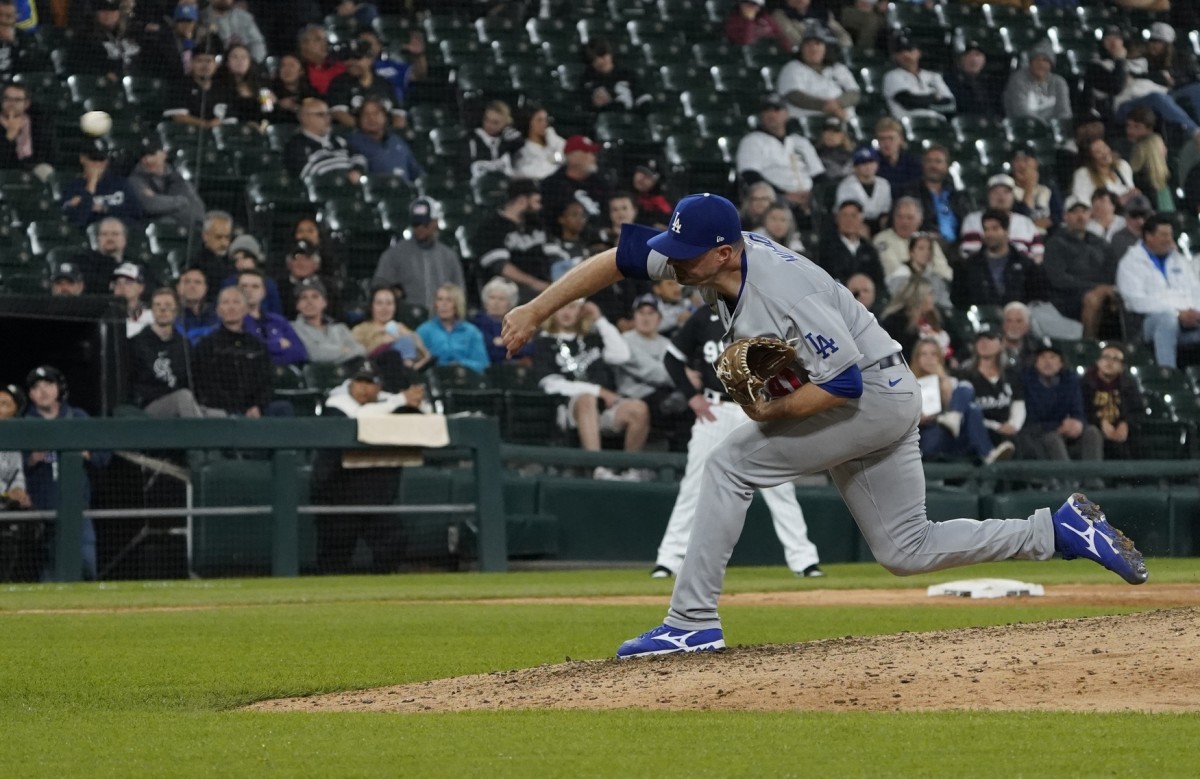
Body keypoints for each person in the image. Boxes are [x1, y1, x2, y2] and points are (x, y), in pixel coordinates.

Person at [499, 192, 1147, 659]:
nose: (674, 264)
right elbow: (619, 256)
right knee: (904, 548)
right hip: (875, 393)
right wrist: (534, 306)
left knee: (730, 462)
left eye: (687, 254)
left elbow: (842, 385)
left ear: (722, 251)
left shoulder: (779, 289)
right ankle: (1055, 528)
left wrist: (766, 411)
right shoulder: (711, 258)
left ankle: (690, 620)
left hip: (871, 396)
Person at [652, 259, 823, 580]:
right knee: (693, 487)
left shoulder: (759, 315)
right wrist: (692, 395)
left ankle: (804, 560)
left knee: (780, 487)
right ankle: (668, 560)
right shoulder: (702, 318)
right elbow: (672, 359)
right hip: (715, 412)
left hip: (759, 411)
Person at [312, 362, 423, 575]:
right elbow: (357, 417)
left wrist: (407, 400)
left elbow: (419, 411)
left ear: (379, 386)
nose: (363, 388)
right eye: (358, 381)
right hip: (338, 495)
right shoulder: (337, 403)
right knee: (334, 559)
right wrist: (400, 400)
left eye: (369, 382)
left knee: (393, 541)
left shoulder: (387, 400)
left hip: (374, 495)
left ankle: (380, 589)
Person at [531, 298, 650, 479]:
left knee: (639, 409)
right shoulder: (543, 342)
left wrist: (599, 319)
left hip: (604, 408)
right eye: (561, 307)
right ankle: (598, 468)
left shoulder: (593, 338)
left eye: (572, 307)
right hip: (568, 410)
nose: (566, 313)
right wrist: (597, 391)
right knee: (586, 398)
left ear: (581, 310)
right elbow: (549, 383)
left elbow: (622, 355)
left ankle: (629, 470)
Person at [23, 365, 111, 581]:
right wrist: (31, 460)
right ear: (30, 394)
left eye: (48, 384)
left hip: (78, 509)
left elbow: (105, 452)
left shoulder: (77, 417)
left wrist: (87, 454)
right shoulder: (24, 424)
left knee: (87, 567)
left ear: (59, 388)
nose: (43, 391)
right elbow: (10, 467)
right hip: (40, 514)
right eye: (36, 387)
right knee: (47, 576)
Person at [911, 337, 1015, 464]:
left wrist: (942, 378)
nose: (929, 359)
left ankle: (986, 452)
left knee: (970, 400)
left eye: (934, 354)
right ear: (917, 358)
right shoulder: (908, 384)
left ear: (940, 358)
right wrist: (920, 419)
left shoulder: (950, 382)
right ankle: (986, 452)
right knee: (968, 405)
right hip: (926, 435)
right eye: (924, 354)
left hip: (953, 436)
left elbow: (951, 402)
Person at [1115, 215, 1200, 369]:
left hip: (1188, 318)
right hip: (1147, 323)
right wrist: (1177, 313)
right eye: (1164, 235)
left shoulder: (1178, 259)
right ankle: (1168, 376)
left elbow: (1195, 289)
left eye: (1170, 234)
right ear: (1149, 236)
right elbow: (1137, 302)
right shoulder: (1130, 263)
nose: (1169, 239)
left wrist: (1195, 312)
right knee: (1167, 320)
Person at [193, 286, 291, 417]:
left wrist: (257, 406)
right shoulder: (206, 345)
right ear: (218, 310)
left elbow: (267, 381)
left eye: (236, 302)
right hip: (221, 410)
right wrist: (235, 408)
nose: (231, 307)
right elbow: (204, 384)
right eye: (226, 302)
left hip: (255, 409)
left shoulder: (257, 345)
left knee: (284, 408)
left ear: (245, 309)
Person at [612, 294, 692, 451]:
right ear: (633, 317)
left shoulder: (667, 343)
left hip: (665, 394)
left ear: (659, 319)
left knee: (690, 406)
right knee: (675, 406)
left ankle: (680, 466)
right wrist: (684, 376)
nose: (645, 318)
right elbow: (650, 371)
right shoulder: (625, 340)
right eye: (641, 313)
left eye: (651, 313)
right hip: (635, 397)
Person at [129, 287, 223, 417]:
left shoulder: (184, 344)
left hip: (184, 403)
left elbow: (193, 379)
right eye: (158, 305)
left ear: (176, 311)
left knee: (220, 415)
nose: (162, 309)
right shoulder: (137, 343)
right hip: (150, 406)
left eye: (168, 305)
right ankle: (197, 437)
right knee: (183, 397)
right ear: (152, 310)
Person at [471, 178, 564, 303]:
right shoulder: (490, 227)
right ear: (521, 201)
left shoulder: (537, 224)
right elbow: (501, 267)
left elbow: (555, 257)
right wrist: (536, 283)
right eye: (536, 201)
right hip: (510, 294)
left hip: (545, 290)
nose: (540, 206)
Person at [735, 95, 826, 219]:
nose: (771, 114)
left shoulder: (801, 142)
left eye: (776, 109)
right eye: (766, 110)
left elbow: (819, 175)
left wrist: (812, 195)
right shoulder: (752, 140)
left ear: (786, 114)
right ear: (761, 116)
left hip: (809, 199)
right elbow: (750, 176)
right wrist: (785, 194)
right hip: (775, 198)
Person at [1043, 196, 1120, 339]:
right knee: (1093, 298)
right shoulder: (1055, 243)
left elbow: (1112, 271)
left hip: (1104, 292)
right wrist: (1097, 287)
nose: (1080, 216)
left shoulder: (1100, 243)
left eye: (1084, 212)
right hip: (1066, 298)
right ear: (1065, 216)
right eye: (1074, 212)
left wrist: (1105, 288)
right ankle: (1088, 344)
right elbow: (1058, 279)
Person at [1018, 341, 1103, 466]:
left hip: (1064, 431)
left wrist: (1078, 423)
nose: (1048, 362)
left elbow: (1077, 410)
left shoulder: (1070, 380)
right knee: (1053, 438)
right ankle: (1067, 482)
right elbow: (1032, 417)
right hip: (1038, 434)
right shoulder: (1025, 381)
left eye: (1053, 357)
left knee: (1092, 432)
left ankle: (1094, 481)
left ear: (1061, 363)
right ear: (1036, 362)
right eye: (1043, 357)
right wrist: (1058, 426)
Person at [371, 198, 463, 311]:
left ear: (435, 222)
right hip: (406, 320)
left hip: (441, 322)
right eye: (416, 224)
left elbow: (459, 294)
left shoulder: (449, 256)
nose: (420, 228)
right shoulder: (393, 254)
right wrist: (394, 293)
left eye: (425, 224)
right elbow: (379, 288)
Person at [956, 325, 1025, 450]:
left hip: (1009, 432)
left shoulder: (1011, 374)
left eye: (990, 338)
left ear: (1001, 343)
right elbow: (967, 413)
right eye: (980, 339)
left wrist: (1013, 425)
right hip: (979, 432)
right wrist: (996, 427)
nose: (984, 343)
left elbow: (1018, 402)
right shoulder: (964, 376)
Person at [952, 209, 1035, 309]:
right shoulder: (968, 267)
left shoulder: (1026, 265)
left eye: (995, 229)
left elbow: (1035, 300)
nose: (989, 234)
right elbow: (959, 302)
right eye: (986, 229)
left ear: (1006, 231)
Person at [775, 31, 861, 124]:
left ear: (825, 48)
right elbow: (794, 96)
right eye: (808, 44)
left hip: (842, 121)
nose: (813, 48)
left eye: (818, 44)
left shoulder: (838, 68)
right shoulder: (792, 67)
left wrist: (838, 103)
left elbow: (854, 94)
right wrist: (825, 107)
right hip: (807, 123)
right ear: (801, 49)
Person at [60, 137, 142, 230]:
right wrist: (90, 188)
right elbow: (77, 222)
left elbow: (136, 213)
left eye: (101, 159)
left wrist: (104, 209)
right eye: (93, 159)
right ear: (82, 158)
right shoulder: (72, 187)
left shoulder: (120, 183)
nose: (98, 164)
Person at [958, 174, 1044, 262]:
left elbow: (1038, 254)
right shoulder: (973, 220)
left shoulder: (1025, 222)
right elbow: (969, 254)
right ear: (988, 196)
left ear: (1013, 196)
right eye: (995, 192)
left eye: (1006, 192)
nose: (1001, 197)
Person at [1081, 343, 1144, 461]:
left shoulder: (1128, 385)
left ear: (1122, 367)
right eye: (1106, 357)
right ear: (1098, 362)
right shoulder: (1085, 383)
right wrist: (1100, 423)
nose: (1109, 363)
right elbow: (1081, 411)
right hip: (1094, 430)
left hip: (1121, 432)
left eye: (1115, 359)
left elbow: (1137, 411)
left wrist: (1125, 424)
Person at [127, 134, 205, 229]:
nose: (148, 160)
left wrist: (161, 201)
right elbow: (149, 205)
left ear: (164, 154)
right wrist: (181, 201)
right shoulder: (135, 180)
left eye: (152, 154)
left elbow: (197, 213)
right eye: (143, 155)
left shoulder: (176, 177)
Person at [902, 144, 974, 244]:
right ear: (923, 164)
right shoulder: (910, 193)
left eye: (938, 161)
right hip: (926, 245)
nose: (933, 166)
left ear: (946, 165)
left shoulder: (959, 196)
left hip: (960, 247)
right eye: (929, 161)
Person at [283, 98, 366, 182]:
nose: (327, 118)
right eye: (321, 114)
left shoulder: (339, 140)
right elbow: (305, 177)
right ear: (305, 118)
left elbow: (359, 157)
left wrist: (356, 171)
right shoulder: (295, 145)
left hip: (350, 189)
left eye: (328, 114)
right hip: (323, 190)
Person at [238, 269, 308, 367]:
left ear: (264, 292)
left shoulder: (278, 320)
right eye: (244, 286)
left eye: (255, 286)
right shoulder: (233, 322)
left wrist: (265, 355)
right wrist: (278, 345)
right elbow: (247, 357)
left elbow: (300, 353)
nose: (249, 290)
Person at [540, 134, 610, 231]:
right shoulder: (552, 185)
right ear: (572, 157)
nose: (593, 158)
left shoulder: (601, 183)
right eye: (588, 152)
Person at [874, 196, 953, 282]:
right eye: (900, 217)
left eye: (909, 218)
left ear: (920, 221)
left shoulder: (928, 240)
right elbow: (894, 272)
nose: (904, 222)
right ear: (893, 218)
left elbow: (944, 271)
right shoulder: (882, 240)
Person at [415, 283, 489, 375]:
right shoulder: (424, 331)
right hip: (435, 380)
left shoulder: (472, 332)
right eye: (440, 299)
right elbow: (418, 363)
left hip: (467, 380)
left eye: (449, 300)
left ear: (457, 305)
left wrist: (460, 364)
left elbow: (482, 364)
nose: (443, 304)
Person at [328, 39, 402, 129]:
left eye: (357, 58)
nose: (351, 62)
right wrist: (369, 131)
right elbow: (340, 115)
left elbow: (399, 115)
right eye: (347, 58)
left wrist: (391, 135)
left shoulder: (384, 84)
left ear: (370, 59)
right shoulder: (339, 83)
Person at [879, 276, 956, 363]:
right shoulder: (897, 321)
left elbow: (957, 342)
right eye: (930, 293)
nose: (933, 297)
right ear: (919, 296)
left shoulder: (937, 315)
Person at [351, 285, 431, 369]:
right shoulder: (360, 330)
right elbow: (356, 357)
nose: (384, 308)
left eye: (389, 303)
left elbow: (425, 355)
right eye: (379, 303)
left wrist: (408, 336)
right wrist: (384, 342)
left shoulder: (400, 327)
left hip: (408, 371)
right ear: (371, 306)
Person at [291, 276, 365, 365]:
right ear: (297, 305)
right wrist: (342, 350)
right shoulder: (292, 328)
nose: (309, 301)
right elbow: (313, 354)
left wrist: (329, 351)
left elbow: (361, 351)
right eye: (304, 297)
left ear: (324, 302)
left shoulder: (340, 328)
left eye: (315, 296)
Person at [162, 34, 230, 129]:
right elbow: (179, 117)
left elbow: (230, 117)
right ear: (191, 64)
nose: (205, 65)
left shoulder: (223, 88)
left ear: (216, 65)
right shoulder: (180, 84)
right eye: (199, 61)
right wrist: (206, 124)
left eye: (209, 61)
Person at [882, 34, 955, 121]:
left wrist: (923, 102)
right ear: (895, 56)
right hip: (908, 124)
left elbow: (950, 104)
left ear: (919, 53)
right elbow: (909, 102)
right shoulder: (892, 76)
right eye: (900, 51)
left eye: (909, 50)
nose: (906, 54)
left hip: (938, 124)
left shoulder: (934, 76)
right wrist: (934, 98)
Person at [817, 199, 884, 289]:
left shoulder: (869, 250)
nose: (849, 220)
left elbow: (879, 281)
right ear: (837, 219)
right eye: (844, 216)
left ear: (861, 220)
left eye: (853, 216)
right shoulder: (825, 248)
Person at [1003, 40, 1074, 124]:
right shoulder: (1018, 79)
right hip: (1023, 127)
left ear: (1051, 64)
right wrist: (1043, 126)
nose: (1041, 64)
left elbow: (1065, 112)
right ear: (1030, 63)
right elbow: (1020, 110)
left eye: (1045, 60)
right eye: (1037, 59)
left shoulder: (1059, 82)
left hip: (1052, 130)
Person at [67, 0, 141, 80]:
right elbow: (79, 66)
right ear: (96, 13)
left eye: (112, 10)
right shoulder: (84, 38)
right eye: (103, 10)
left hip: (135, 83)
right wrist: (104, 74)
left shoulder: (132, 33)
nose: (108, 14)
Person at [579, 37, 651, 115]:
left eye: (602, 54)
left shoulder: (628, 75)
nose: (600, 61)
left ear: (610, 54)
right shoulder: (588, 82)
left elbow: (644, 101)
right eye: (593, 59)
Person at [0, 81, 55, 181]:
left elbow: (50, 152)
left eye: (17, 100)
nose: (11, 104)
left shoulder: (39, 122)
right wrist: (9, 136)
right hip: (6, 170)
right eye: (7, 99)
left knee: (46, 171)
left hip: (34, 167)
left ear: (26, 104)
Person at [472, 276, 532, 364]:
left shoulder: (518, 324)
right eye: (492, 298)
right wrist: (510, 345)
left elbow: (529, 349)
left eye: (501, 299)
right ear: (485, 300)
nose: (496, 303)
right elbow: (487, 351)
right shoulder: (476, 324)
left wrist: (500, 343)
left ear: (510, 303)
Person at [884, 232, 952, 308]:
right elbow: (897, 304)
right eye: (921, 248)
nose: (926, 252)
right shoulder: (900, 276)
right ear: (911, 252)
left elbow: (945, 304)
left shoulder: (935, 277)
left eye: (929, 249)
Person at [223, 234, 284, 317]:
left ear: (255, 258)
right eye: (236, 259)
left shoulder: (269, 283)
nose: (240, 262)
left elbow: (276, 313)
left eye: (245, 257)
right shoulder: (229, 283)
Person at [465, 100, 523, 183]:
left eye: (495, 123)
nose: (489, 125)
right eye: (486, 119)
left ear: (506, 123)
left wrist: (515, 139)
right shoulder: (472, 138)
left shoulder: (510, 139)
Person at [835, 147, 891, 230]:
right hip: (855, 223)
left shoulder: (884, 183)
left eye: (871, 162)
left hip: (878, 223)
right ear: (855, 167)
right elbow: (845, 213)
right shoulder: (846, 185)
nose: (868, 166)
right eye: (863, 163)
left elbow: (885, 211)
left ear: (877, 165)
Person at [947, 40, 1003, 121]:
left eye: (978, 55)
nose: (974, 59)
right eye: (968, 54)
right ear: (959, 59)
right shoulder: (950, 81)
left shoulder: (992, 83)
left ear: (984, 60)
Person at [1071, 137, 1137, 206]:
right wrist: (1117, 202)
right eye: (1098, 152)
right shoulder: (1083, 174)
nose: (1104, 153)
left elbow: (1131, 189)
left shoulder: (1122, 165)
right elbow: (1083, 204)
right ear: (1090, 158)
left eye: (1104, 147)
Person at [73, 216, 130, 294]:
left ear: (124, 239)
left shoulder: (135, 264)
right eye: (104, 234)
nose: (109, 238)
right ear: (98, 239)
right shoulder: (82, 263)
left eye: (115, 234)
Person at [1011, 146, 1061, 235]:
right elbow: (1019, 219)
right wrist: (1029, 187)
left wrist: (1050, 221)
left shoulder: (1048, 186)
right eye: (1017, 161)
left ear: (1036, 163)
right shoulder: (1007, 190)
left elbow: (1059, 214)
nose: (1021, 165)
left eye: (1026, 160)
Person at [512, 102, 565, 182]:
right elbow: (529, 173)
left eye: (545, 120)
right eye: (539, 120)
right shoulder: (524, 148)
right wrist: (551, 161)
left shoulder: (551, 139)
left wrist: (554, 157)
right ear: (529, 122)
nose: (544, 124)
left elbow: (567, 153)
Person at [201, 0, 267, 63]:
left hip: (243, 67)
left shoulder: (244, 17)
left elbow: (257, 44)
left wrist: (250, 65)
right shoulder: (200, 18)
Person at [873, 116, 921, 192]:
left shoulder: (912, 163)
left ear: (901, 139)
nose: (886, 143)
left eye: (891, 138)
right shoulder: (872, 163)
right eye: (882, 139)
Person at [297, 24, 344, 96]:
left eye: (325, 39)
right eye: (318, 39)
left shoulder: (339, 67)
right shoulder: (295, 69)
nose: (324, 44)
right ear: (304, 44)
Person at [269, 52, 314, 125]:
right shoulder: (269, 92)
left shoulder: (311, 92)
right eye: (283, 66)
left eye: (291, 65)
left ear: (301, 71)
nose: (287, 70)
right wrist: (277, 105)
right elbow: (265, 116)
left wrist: (295, 108)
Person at [111, 262, 152, 338]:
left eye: (128, 282)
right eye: (117, 282)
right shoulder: (107, 319)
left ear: (141, 287)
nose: (121, 287)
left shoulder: (153, 317)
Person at [176, 266, 218, 338]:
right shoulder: (171, 315)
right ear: (178, 287)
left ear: (206, 288)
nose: (192, 286)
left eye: (198, 282)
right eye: (187, 282)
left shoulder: (217, 313)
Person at [813, 117, 855, 182]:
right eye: (827, 131)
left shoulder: (854, 156)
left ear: (843, 136)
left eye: (836, 131)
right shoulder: (813, 156)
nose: (831, 135)